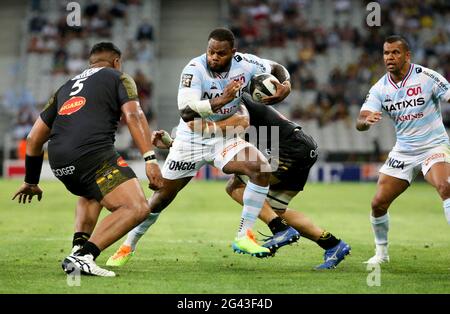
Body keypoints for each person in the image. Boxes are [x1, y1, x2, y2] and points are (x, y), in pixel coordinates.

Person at [106, 27, 294, 266]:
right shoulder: (194, 70)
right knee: (160, 199)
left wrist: (286, 84)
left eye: (220, 53)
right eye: (210, 51)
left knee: (260, 168)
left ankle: (244, 235)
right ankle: (126, 246)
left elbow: (276, 68)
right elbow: (186, 112)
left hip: (225, 137)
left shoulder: (245, 63)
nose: (214, 57)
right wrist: (223, 100)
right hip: (190, 140)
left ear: (232, 52)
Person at [12, 42, 163, 277]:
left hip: (60, 162)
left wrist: (31, 181)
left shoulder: (66, 87)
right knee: (136, 207)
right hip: (92, 155)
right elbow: (134, 114)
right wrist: (150, 158)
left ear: (90, 63)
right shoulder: (119, 77)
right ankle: (84, 257)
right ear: (116, 61)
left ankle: (79, 246)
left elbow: (33, 138)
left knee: (93, 193)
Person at [149, 93, 351, 269]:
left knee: (235, 187)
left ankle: (280, 230)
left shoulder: (228, 102)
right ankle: (333, 245)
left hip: (286, 150)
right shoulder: (230, 98)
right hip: (302, 147)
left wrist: (178, 145)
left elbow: (214, 146)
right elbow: (212, 143)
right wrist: (175, 144)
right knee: (276, 210)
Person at [356, 35, 450, 264]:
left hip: (433, 146)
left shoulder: (427, 77)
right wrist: (366, 121)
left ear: (407, 55)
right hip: (404, 151)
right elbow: (360, 121)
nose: (390, 57)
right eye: (386, 53)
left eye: (395, 53)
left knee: (446, 186)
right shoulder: (380, 88)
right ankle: (381, 253)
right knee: (378, 203)